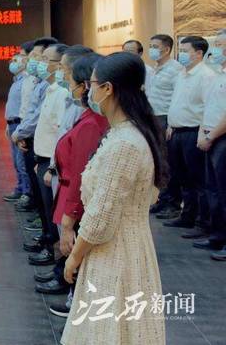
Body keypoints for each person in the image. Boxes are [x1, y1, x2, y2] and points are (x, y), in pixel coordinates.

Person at [62, 52, 167, 345]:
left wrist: (74, 257)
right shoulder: (130, 133)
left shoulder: (124, 144)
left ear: (108, 88)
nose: (89, 91)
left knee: (108, 331)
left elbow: (101, 218)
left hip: (114, 253)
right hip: (129, 245)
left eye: (92, 84)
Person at [37, 53, 108, 317]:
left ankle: (76, 301)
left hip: (76, 196)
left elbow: (81, 173)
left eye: (71, 80)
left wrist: (69, 219)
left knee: (77, 249)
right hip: (68, 187)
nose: (70, 85)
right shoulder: (87, 116)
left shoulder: (93, 123)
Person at [163, 36, 216, 238]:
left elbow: (209, 107)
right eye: (181, 50)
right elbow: (177, 102)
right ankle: (187, 215)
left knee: (198, 180)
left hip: (194, 132)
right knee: (182, 177)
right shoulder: (182, 74)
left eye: (186, 51)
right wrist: (171, 124)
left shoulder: (206, 76)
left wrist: (204, 133)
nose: (182, 54)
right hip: (177, 131)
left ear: (199, 53)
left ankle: (202, 223)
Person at [28, 43, 69, 267]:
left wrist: (52, 166)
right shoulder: (51, 89)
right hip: (43, 158)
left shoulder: (62, 93)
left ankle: (55, 255)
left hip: (53, 162)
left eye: (45, 60)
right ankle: (47, 243)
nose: (40, 64)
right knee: (46, 208)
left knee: (54, 211)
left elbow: (61, 134)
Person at [12, 37, 59, 233]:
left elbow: (41, 118)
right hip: (33, 139)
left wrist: (21, 132)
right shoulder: (39, 82)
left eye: (41, 58)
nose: (34, 62)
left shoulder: (55, 89)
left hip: (46, 150)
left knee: (47, 195)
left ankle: (50, 234)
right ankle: (46, 230)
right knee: (39, 190)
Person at [146, 34, 184, 218]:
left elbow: (178, 97)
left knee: (169, 163)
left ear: (167, 49)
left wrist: (171, 123)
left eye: (155, 46)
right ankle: (162, 199)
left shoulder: (175, 70)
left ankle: (173, 203)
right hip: (154, 118)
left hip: (166, 119)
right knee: (159, 162)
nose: (151, 50)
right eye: (150, 46)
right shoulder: (155, 68)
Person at [197, 29, 226, 259]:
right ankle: (217, 236)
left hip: (220, 138)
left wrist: (211, 136)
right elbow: (208, 107)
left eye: (219, 45)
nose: (215, 49)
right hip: (210, 136)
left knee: (223, 192)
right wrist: (203, 132)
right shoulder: (218, 75)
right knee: (213, 190)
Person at [3, 43, 32, 203]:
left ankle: (26, 193)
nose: (12, 62)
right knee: (16, 161)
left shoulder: (27, 82)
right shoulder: (17, 81)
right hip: (13, 124)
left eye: (17, 58)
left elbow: (25, 107)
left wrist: (21, 129)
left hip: (20, 124)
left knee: (21, 162)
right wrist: (8, 125)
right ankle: (20, 188)